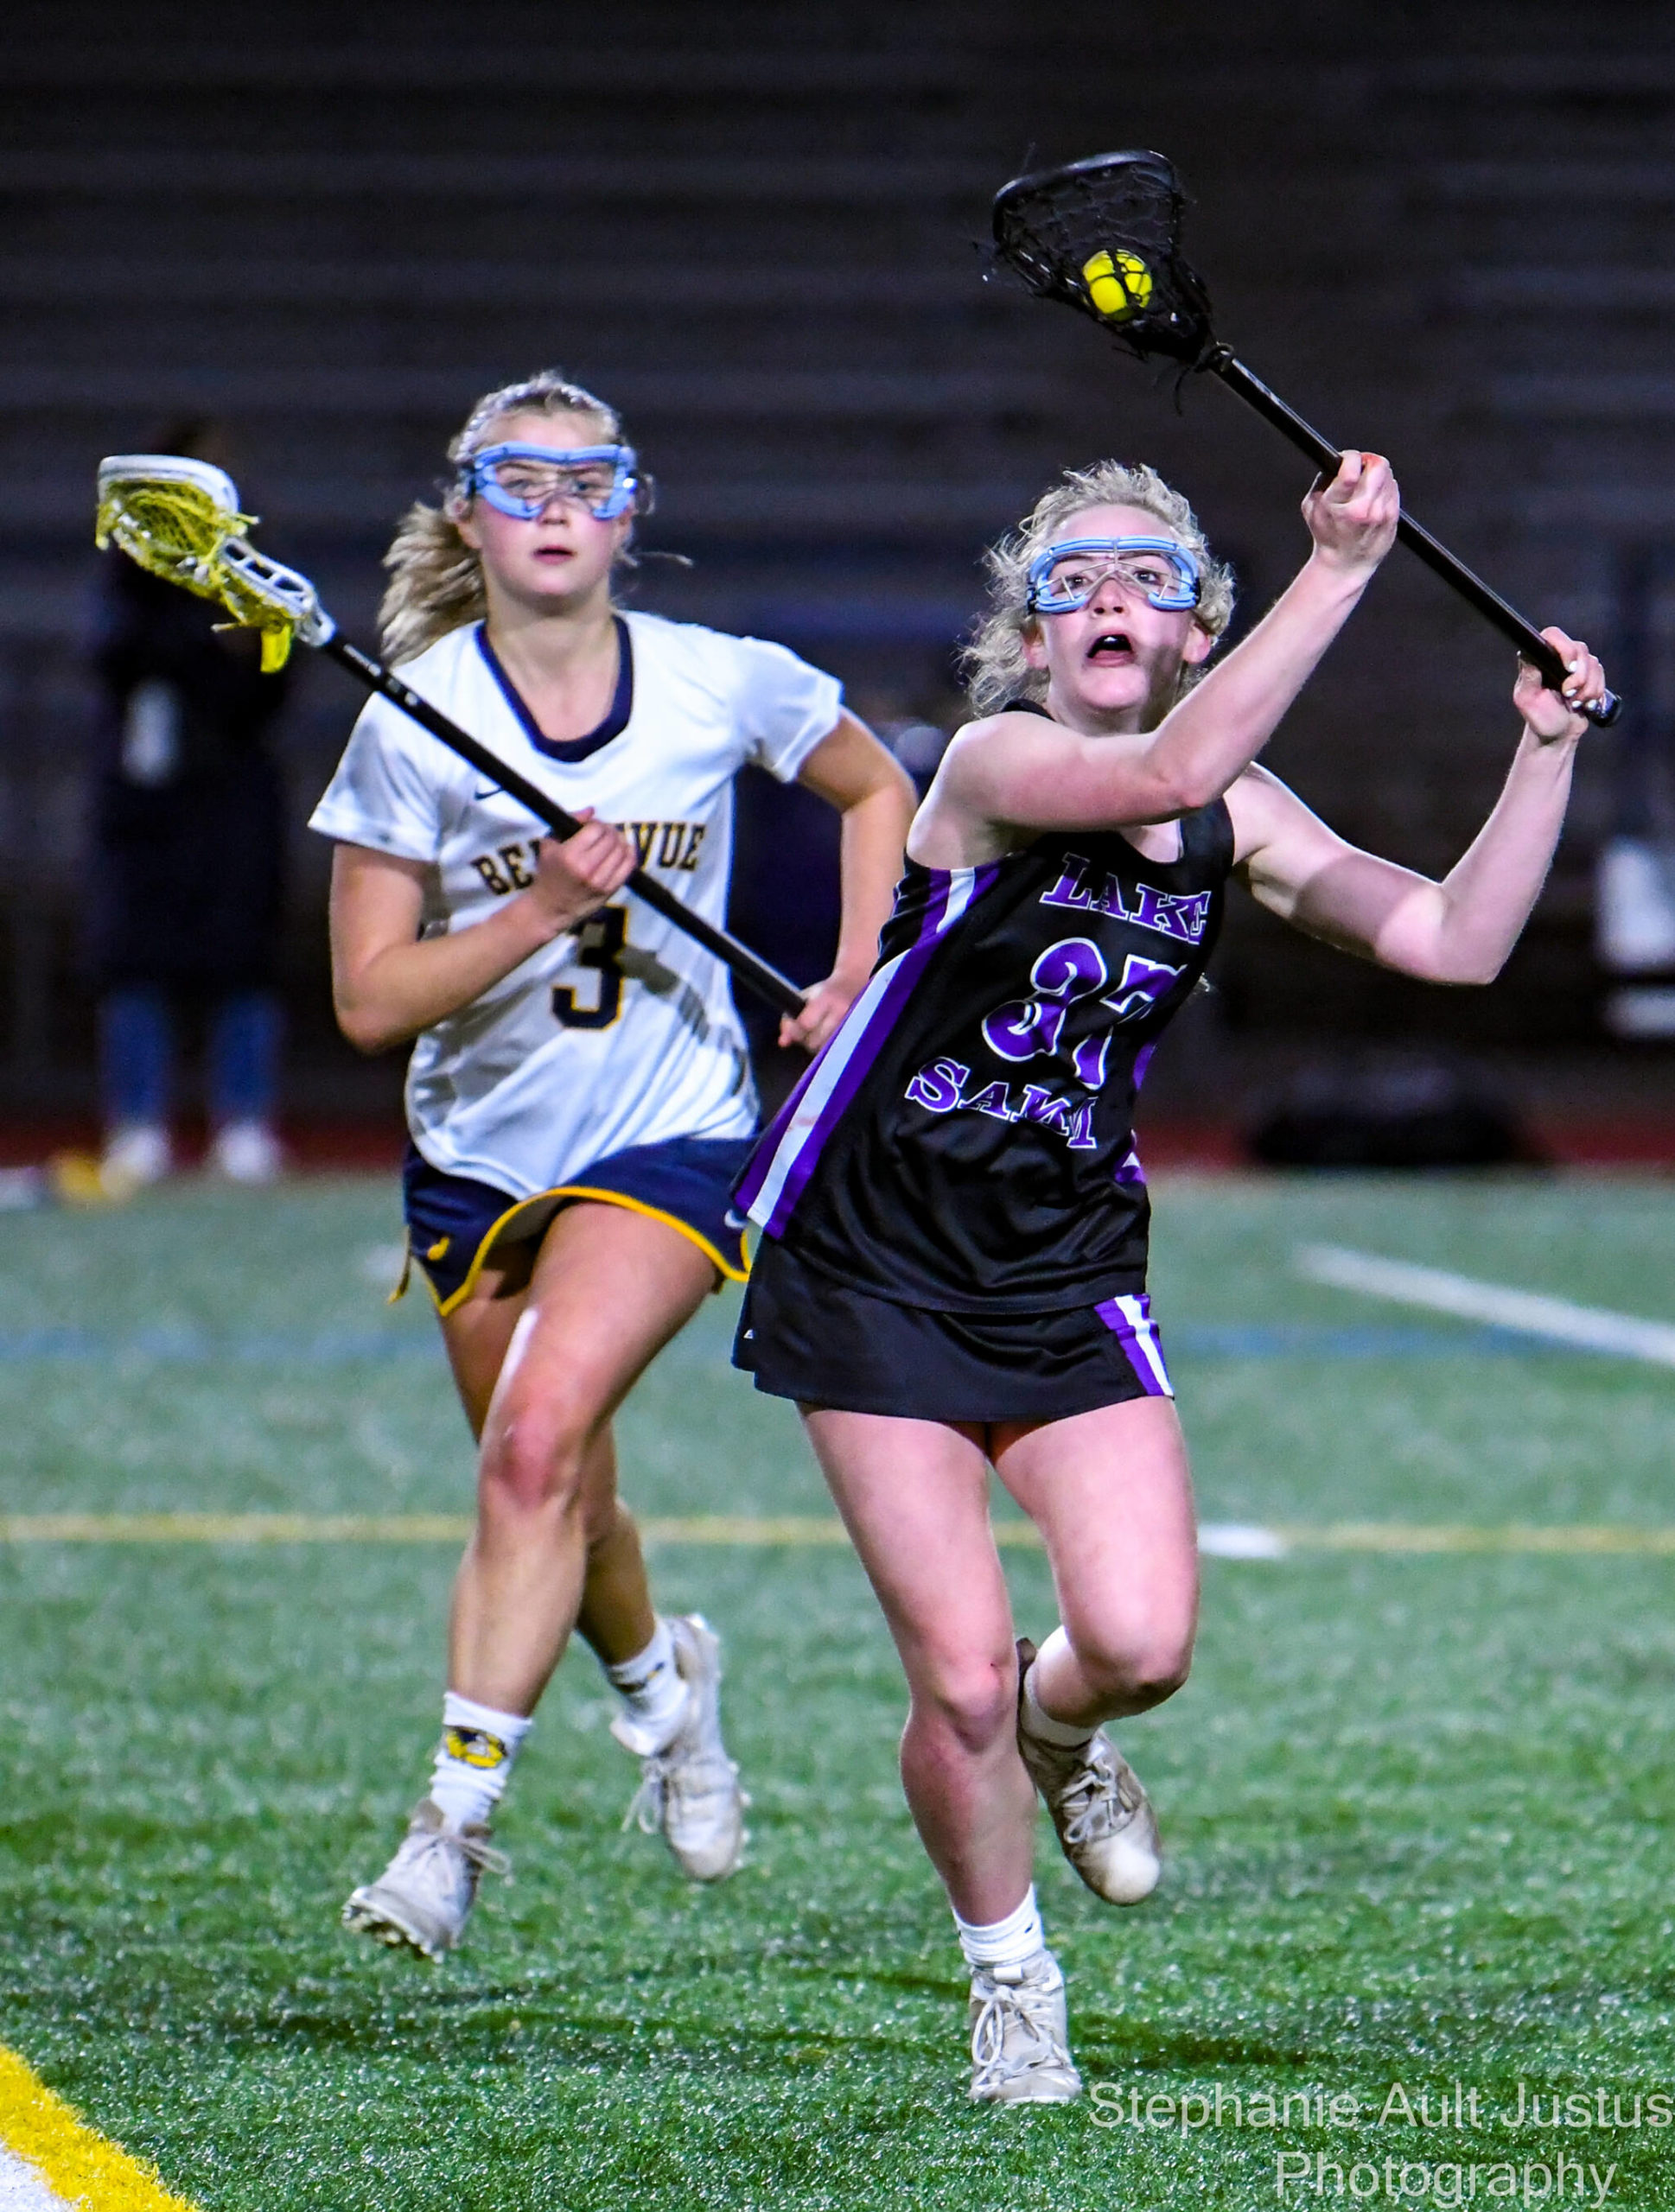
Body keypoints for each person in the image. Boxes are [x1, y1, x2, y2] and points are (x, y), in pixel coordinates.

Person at [732, 453, 1608, 2101]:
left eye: (1146, 577)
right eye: (1074, 583)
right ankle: (1009, 1980)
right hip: (871, 1259)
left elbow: (1451, 944)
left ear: (1196, 626)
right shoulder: (994, 763)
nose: (1112, 599)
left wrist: (1537, 756)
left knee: (1135, 1643)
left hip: (1061, 1262)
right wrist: (1338, 572)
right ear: (1032, 640)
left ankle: (1070, 1742)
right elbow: (1186, 753)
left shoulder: (1236, 815)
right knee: (960, 1670)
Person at [309, 371, 914, 1959]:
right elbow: (369, 1002)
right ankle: (667, 1695)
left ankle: (448, 1835)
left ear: (631, 510)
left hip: (671, 1133)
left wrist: (854, 966)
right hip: (473, 1157)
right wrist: (527, 915)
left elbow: (874, 786)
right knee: (559, 1489)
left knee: (529, 1453)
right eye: (521, 480)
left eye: (590, 480)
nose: (558, 505)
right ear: (470, 517)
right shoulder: (412, 713)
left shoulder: (716, 682)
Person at [88, 418, 290, 1190]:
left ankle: (243, 1122)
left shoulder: (250, 570)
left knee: (243, 959)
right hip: (146, 798)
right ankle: (137, 1124)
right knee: (136, 958)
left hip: (233, 793)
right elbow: (117, 659)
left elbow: (269, 681)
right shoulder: (128, 574)